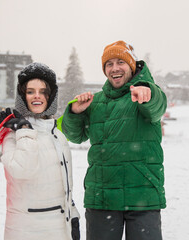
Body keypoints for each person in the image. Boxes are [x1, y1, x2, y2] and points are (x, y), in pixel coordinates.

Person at [61, 40, 167, 240]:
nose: (115, 68)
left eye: (121, 62)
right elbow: (75, 135)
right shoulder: (96, 101)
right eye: (109, 64)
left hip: (143, 196)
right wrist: (75, 112)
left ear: (131, 66)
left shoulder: (147, 93)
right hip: (103, 197)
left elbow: (157, 107)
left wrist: (148, 93)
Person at [0, 62, 80, 240]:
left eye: (43, 91)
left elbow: (64, 184)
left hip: (60, 230)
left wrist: (73, 214)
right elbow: (22, 170)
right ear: (22, 95)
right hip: (27, 231)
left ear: (51, 96)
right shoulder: (12, 135)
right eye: (30, 91)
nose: (37, 96)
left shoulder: (57, 135)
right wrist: (24, 130)